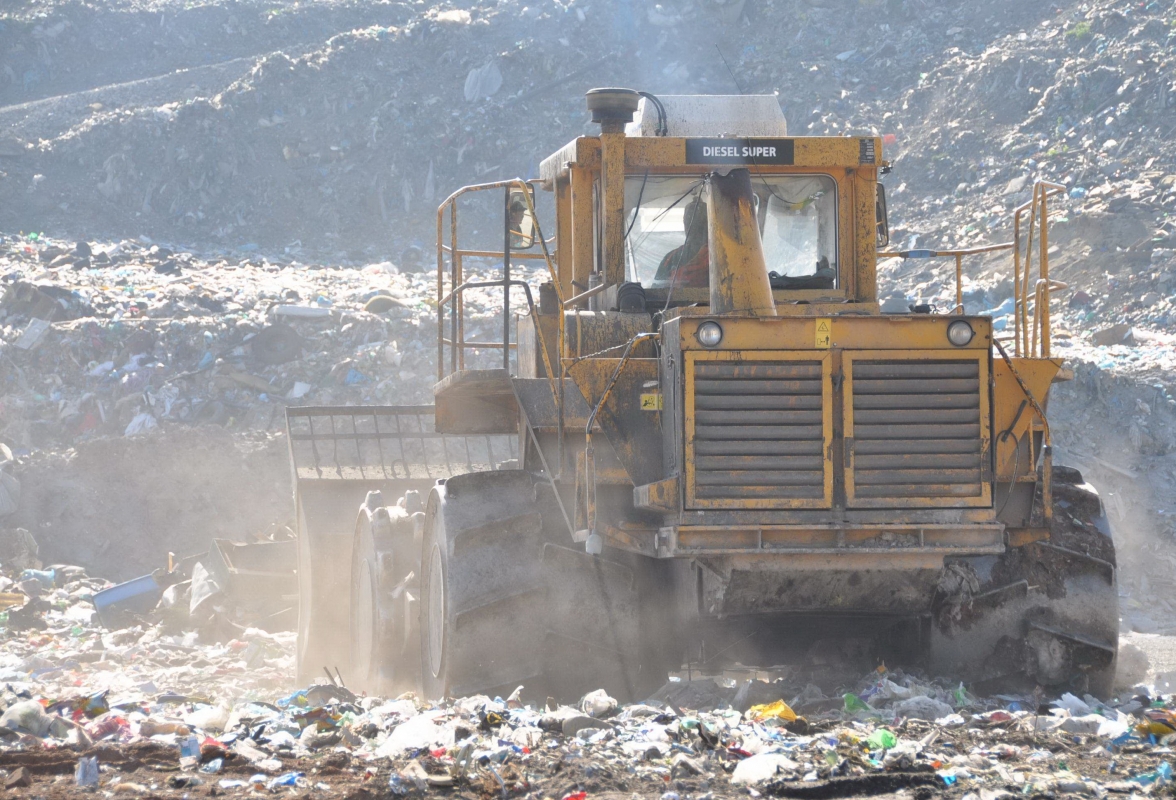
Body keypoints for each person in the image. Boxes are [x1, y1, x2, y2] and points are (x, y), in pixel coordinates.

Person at [652, 197, 709, 287]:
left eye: (700, 223)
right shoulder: (672, 257)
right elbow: (658, 290)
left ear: (709, 224)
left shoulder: (721, 256)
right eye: (688, 221)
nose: (692, 227)